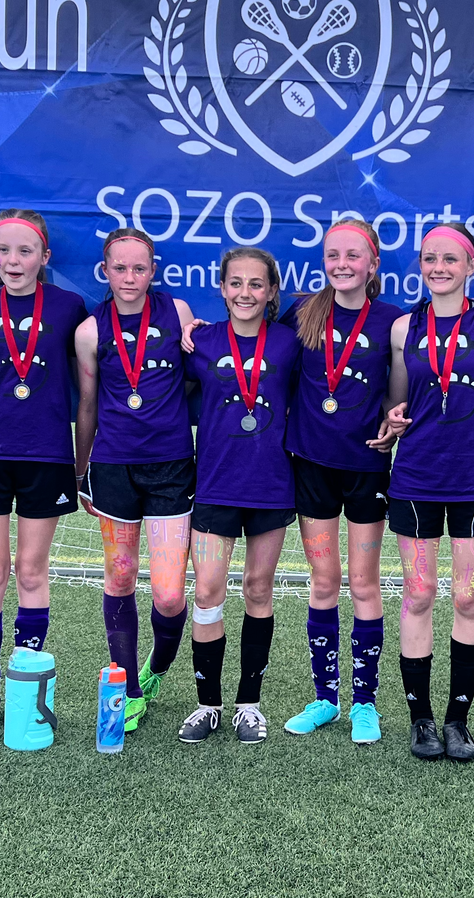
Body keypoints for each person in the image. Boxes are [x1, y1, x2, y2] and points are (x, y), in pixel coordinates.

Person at [379, 223, 474, 762]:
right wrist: (391, 418)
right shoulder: (403, 328)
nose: (439, 267)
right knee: (418, 594)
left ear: (470, 266)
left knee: (467, 596)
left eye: (450, 259)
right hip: (416, 476)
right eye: (430, 258)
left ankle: (458, 720)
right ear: (420, 265)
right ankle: (421, 720)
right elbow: (397, 401)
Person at [0, 210, 88, 732]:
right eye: (4, 250)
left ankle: (25, 686)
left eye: (25, 251)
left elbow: (87, 378)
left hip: (47, 454)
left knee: (31, 571)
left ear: (44, 257)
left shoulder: (69, 307)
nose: (13, 261)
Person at [279, 220, 404, 745]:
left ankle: (365, 703)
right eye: (333, 254)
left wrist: (395, 417)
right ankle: (326, 698)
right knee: (324, 581)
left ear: (373, 263)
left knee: (364, 583)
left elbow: (403, 386)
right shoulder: (303, 313)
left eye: (353, 255)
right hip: (311, 463)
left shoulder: (393, 320)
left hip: (367, 464)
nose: (342, 264)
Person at [73, 227, 199, 733]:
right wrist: (81, 470)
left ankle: (156, 669)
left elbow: (196, 377)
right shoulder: (89, 330)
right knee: (120, 576)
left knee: (168, 595)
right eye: (119, 268)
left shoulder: (178, 313)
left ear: (153, 270)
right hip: (113, 468)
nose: (129, 277)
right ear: (105, 270)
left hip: (171, 466)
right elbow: (87, 405)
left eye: (139, 268)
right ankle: (127, 688)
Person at [176, 247, 301, 744]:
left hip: (271, 485)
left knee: (257, 589)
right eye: (236, 283)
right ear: (222, 288)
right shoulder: (201, 341)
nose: (245, 293)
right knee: (207, 591)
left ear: (271, 292)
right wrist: (186, 324)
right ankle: (207, 704)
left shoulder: (290, 342)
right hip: (214, 484)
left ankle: (249, 704)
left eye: (256, 284)